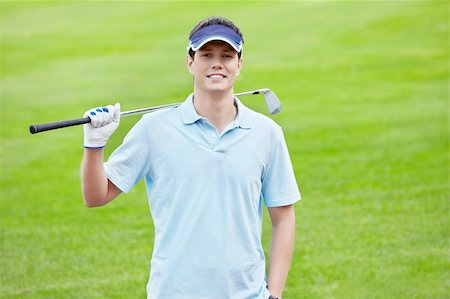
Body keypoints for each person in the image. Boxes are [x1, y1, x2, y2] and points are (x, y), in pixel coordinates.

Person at [81, 16, 300, 299]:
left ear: (239, 64)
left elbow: (283, 218)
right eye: (206, 55)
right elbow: (96, 196)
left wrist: (275, 294)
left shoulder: (266, 133)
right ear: (190, 62)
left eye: (227, 55)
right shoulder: (153, 129)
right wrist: (94, 145)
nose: (216, 63)